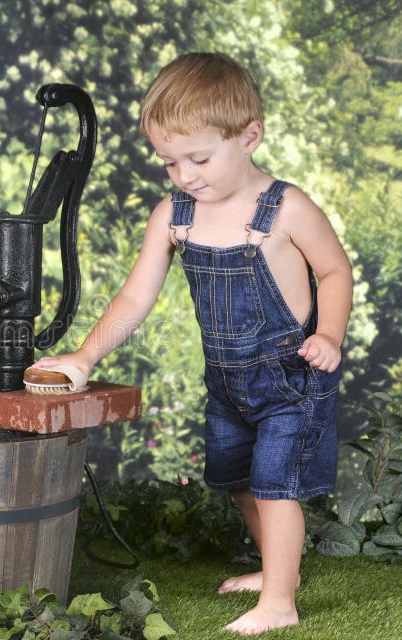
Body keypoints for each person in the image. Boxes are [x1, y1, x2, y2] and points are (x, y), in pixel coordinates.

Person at [33, 52, 353, 635]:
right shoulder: (174, 216)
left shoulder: (286, 208)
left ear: (249, 134)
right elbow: (134, 298)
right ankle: (280, 571)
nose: (186, 175)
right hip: (226, 380)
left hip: (291, 377)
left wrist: (329, 334)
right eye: (170, 163)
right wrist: (84, 356)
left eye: (199, 158)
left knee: (276, 486)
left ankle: (280, 602)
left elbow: (334, 272)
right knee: (237, 479)